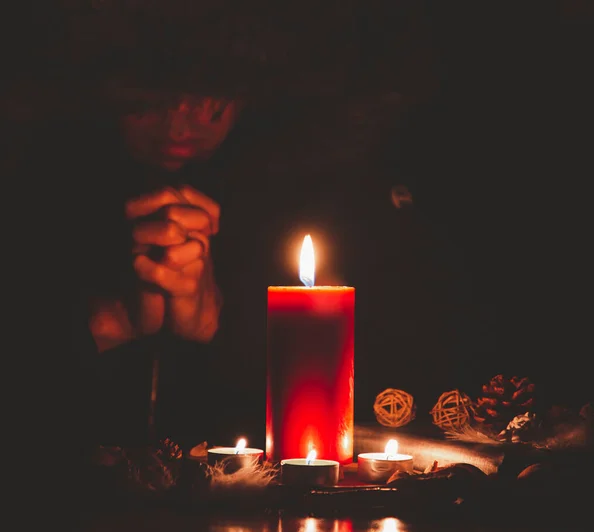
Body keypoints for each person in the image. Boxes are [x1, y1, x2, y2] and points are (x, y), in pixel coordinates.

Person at [4, 1, 501, 453]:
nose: (181, 122)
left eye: (212, 92)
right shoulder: (30, 189)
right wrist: (108, 322)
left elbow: (413, 381)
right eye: (151, 96)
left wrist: (215, 330)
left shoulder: (322, 199)